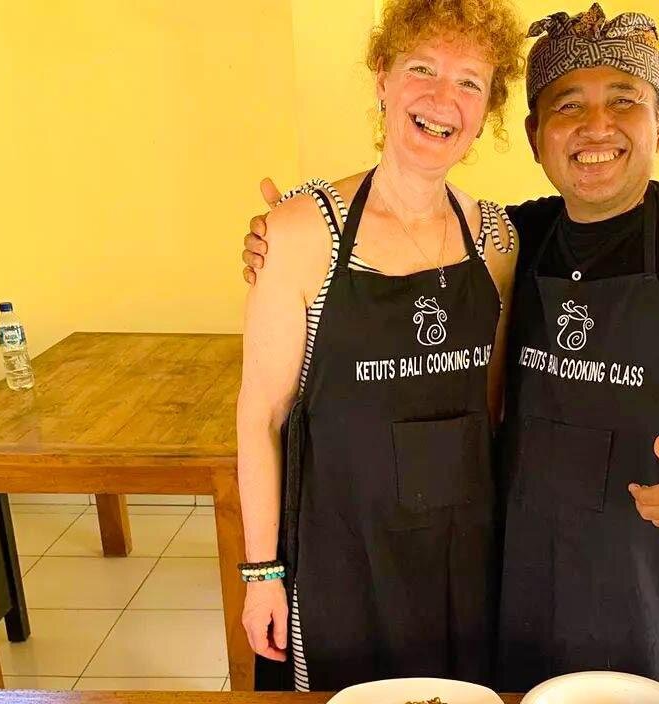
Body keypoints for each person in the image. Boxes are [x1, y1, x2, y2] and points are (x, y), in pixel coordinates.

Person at [241, 3, 659, 696]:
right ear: (533, 135)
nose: (596, 126)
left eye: (624, 101)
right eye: (568, 105)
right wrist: (287, 231)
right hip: (516, 579)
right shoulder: (519, 236)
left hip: (648, 582)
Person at [235, 0, 522, 692]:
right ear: (383, 79)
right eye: (422, 69)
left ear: (486, 110)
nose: (442, 99)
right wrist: (261, 573)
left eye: (469, 82)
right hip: (339, 549)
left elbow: (489, 411)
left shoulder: (497, 241)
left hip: (460, 557)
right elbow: (260, 416)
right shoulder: (301, 233)